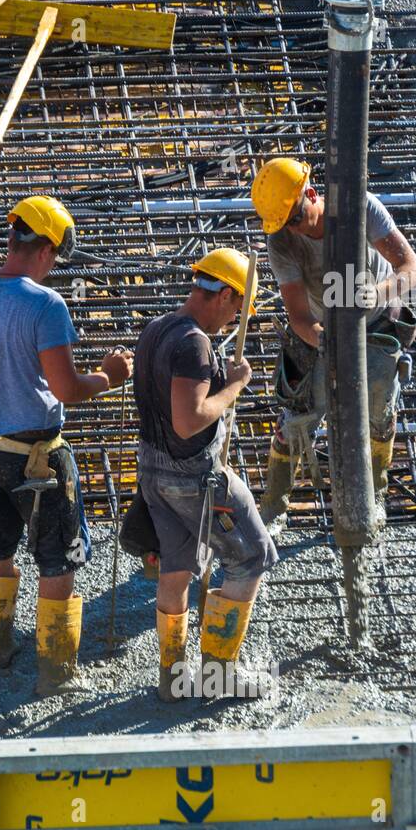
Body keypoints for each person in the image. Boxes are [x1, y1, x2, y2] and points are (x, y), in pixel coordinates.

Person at [0, 195, 132, 696]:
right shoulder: (45, 304)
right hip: (36, 457)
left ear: (11, 237)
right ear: (44, 249)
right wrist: (108, 376)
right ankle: (56, 671)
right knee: (57, 556)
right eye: (56, 258)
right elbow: (65, 389)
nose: (54, 268)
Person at [134, 248, 277, 701]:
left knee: (175, 571)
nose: (235, 319)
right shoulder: (193, 343)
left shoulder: (155, 329)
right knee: (253, 555)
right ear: (226, 294)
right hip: (192, 475)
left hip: (153, 472)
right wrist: (234, 385)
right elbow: (188, 419)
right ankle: (219, 675)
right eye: (238, 308)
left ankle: (173, 679)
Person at [252, 158, 416, 527]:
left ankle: (374, 495)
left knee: (379, 406)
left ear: (311, 194)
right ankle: (272, 509)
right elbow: (299, 316)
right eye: (284, 224)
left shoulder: (359, 207)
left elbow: (413, 269)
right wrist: (326, 344)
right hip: (323, 329)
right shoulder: (281, 239)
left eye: (296, 218)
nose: (292, 229)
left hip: (377, 319)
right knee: (298, 416)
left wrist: (375, 295)